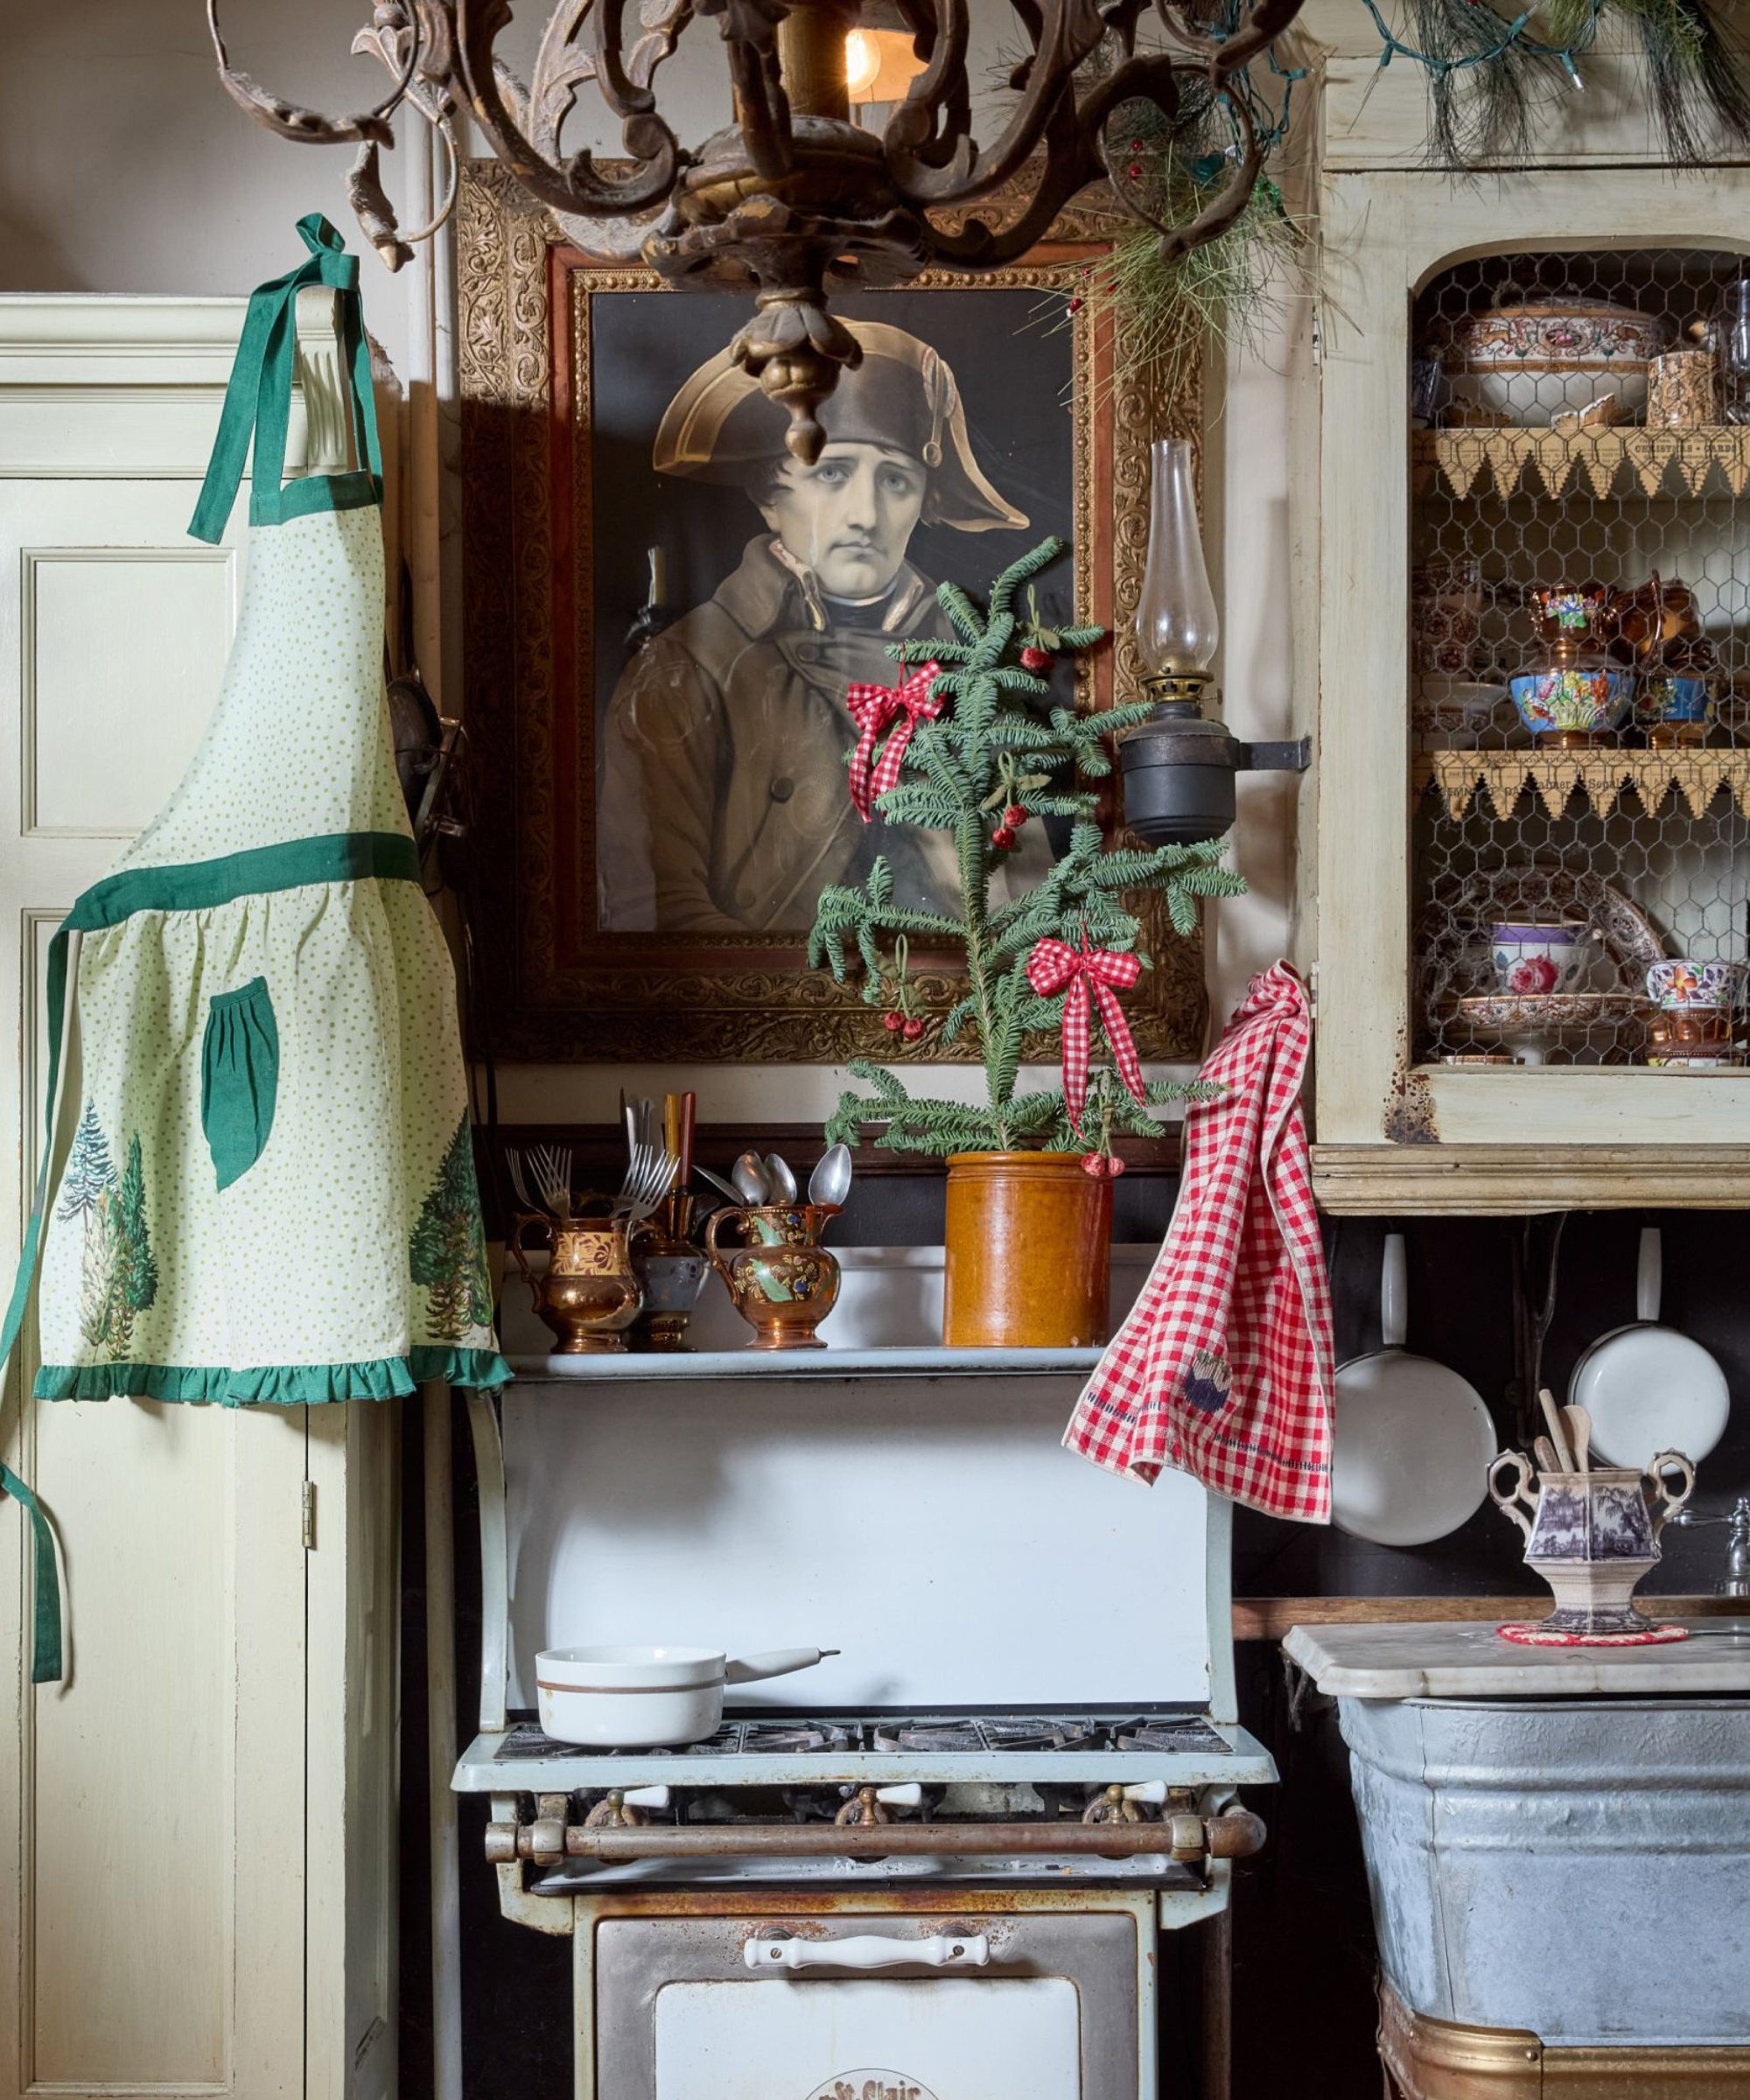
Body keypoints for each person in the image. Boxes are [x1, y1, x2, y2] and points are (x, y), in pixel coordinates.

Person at [597, 319, 1053, 933]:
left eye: (894, 481)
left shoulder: (975, 682)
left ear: (923, 501)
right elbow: (658, 919)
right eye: (832, 474)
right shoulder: (686, 671)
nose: (864, 514)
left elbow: (1028, 924)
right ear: (769, 492)